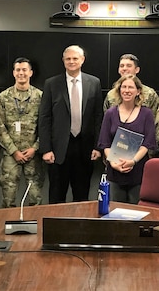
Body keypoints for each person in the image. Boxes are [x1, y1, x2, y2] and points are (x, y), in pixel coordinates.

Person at [38, 45, 103, 204]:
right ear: (63, 61)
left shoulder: (94, 82)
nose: (71, 61)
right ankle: (55, 229)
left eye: (75, 58)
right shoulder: (52, 84)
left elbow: (98, 117)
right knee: (56, 196)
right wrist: (46, 149)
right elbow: (44, 118)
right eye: (68, 59)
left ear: (82, 60)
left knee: (81, 197)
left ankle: (79, 228)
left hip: (85, 149)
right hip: (58, 151)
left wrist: (97, 146)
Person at [98, 75, 157, 204]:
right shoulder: (110, 113)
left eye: (131, 87)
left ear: (138, 91)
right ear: (119, 90)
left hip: (138, 172)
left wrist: (133, 161)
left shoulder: (146, 114)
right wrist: (113, 164)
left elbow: (148, 143)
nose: (127, 90)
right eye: (123, 87)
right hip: (115, 171)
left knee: (136, 213)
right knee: (115, 213)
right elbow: (105, 143)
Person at [0, 57, 44, 208]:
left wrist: (35, 148)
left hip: (33, 154)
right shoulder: (4, 97)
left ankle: (35, 227)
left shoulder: (40, 96)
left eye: (24, 70)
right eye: (18, 70)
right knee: (8, 196)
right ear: (13, 73)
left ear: (30, 73)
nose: (21, 73)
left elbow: (45, 126)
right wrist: (13, 150)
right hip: (11, 154)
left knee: (35, 196)